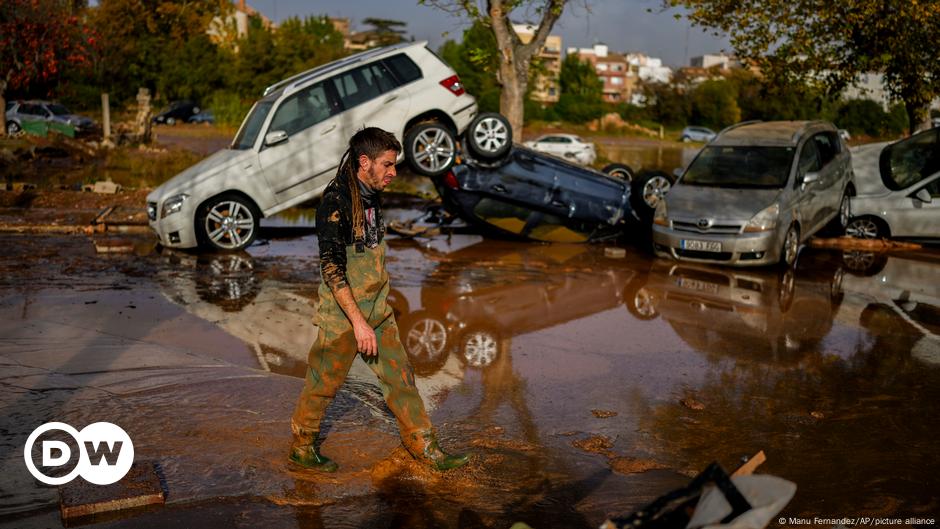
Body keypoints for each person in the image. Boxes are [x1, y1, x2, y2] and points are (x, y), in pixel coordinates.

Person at [289, 127, 470, 472]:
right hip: (343, 315)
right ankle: (302, 446)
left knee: (401, 378)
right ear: (364, 162)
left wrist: (377, 313)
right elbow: (332, 270)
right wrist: (358, 324)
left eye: (394, 164)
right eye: (387, 164)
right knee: (323, 383)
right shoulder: (335, 202)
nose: (393, 172)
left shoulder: (371, 194)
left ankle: (424, 446)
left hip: (378, 310)